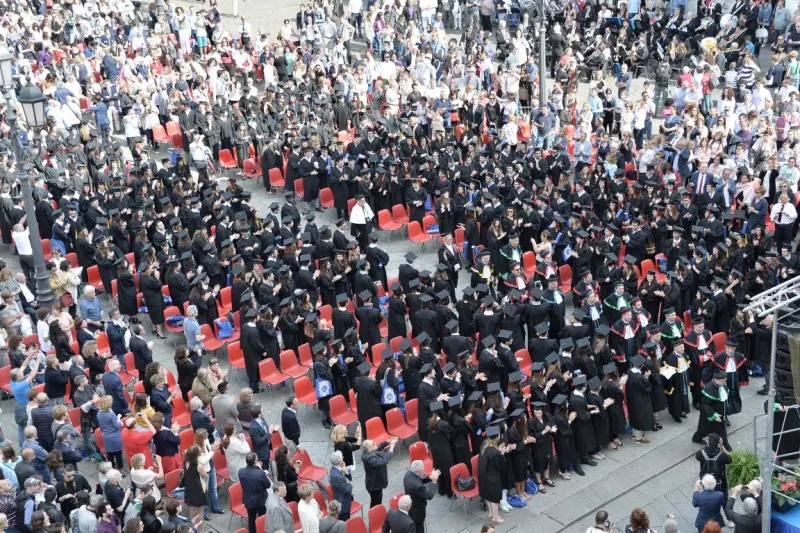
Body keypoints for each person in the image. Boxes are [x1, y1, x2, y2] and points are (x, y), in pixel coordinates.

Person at [478, 426, 509, 525]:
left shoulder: (484, 446)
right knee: (494, 498)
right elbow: (501, 465)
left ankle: (490, 513)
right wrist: (502, 453)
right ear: (497, 437)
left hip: (483, 476)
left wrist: (499, 451)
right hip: (492, 477)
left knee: (487, 496)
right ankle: (495, 518)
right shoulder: (494, 452)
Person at [403, 460, 440, 533]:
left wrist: (430, 477)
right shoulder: (418, 487)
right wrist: (434, 481)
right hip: (417, 510)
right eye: (423, 469)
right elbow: (429, 496)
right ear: (419, 471)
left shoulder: (408, 474)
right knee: (419, 526)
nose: (423, 470)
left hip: (411, 505)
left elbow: (419, 480)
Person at [239, 452, 272, 533]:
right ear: (255, 462)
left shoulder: (241, 471)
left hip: (249, 500)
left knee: (251, 519)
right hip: (260, 500)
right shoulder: (260, 473)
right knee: (262, 518)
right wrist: (259, 469)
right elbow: (268, 485)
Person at [361, 437, 398, 508]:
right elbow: (383, 461)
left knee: (377, 501)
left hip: (375, 482)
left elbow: (379, 447)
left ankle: (376, 512)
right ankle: (374, 515)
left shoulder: (369, 451)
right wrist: (392, 447)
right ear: (369, 448)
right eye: (373, 444)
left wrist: (388, 441)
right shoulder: (369, 459)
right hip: (374, 485)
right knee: (376, 503)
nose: (375, 444)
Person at [181, 445, 209, 529]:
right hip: (198, 490)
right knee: (200, 510)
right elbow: (206, 476)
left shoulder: (186, 462)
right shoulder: (199, 466)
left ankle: (191, 528)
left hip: (189, 488)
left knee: (192, 508)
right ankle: (199, 530)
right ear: (196, 455)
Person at [329, 451, 354, 520]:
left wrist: (344, 471)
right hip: (343, 504)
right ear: (340, 461)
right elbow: (348, 488)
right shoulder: (337, 476)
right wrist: (349, 483)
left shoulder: (335, 470)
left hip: (342, 500)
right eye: (342, 457)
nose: (343, 457)